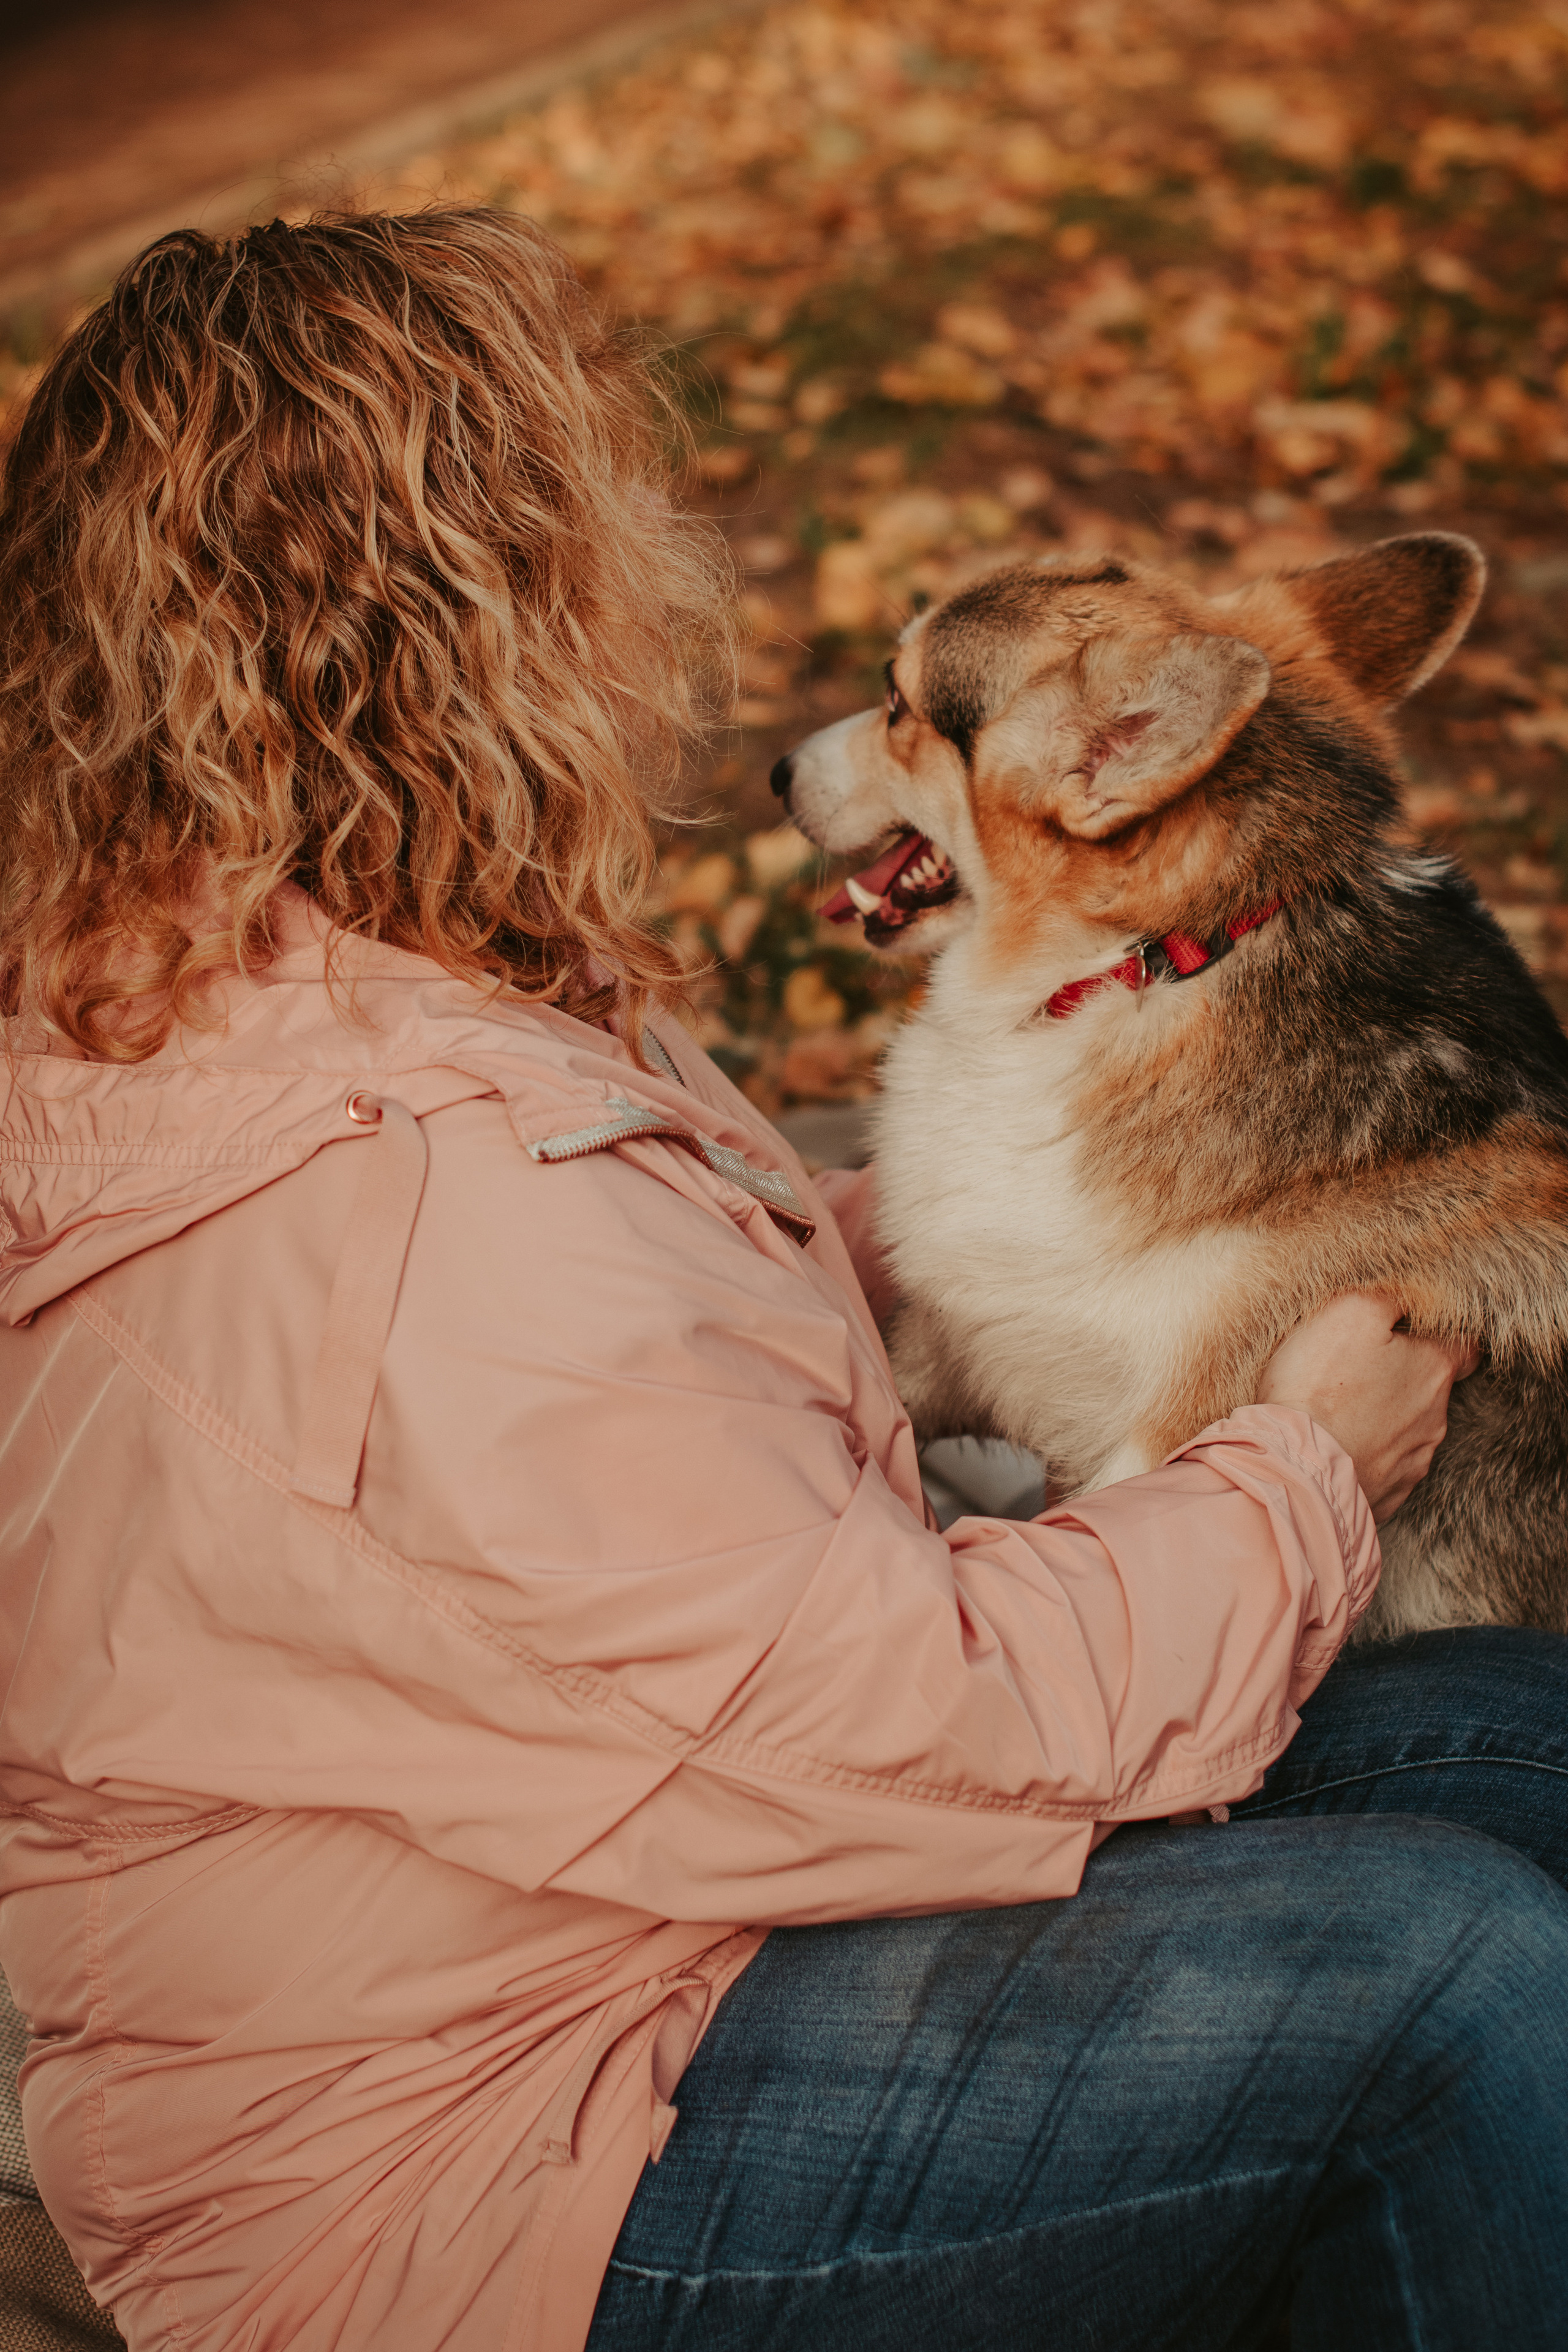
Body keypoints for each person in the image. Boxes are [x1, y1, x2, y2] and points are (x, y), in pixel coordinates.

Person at [0, 210, 1563, 2352]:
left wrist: (943, 1270)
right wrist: (1300, 1470)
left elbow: (597, 1402)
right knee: (1452, 1972)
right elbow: (906, 1722)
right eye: (606, 512)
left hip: (622, 1916)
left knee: (1521, 1735)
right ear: (479, 613)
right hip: (481, 2163)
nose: (666, 573)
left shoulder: (311, 975)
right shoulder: (412, 1188)